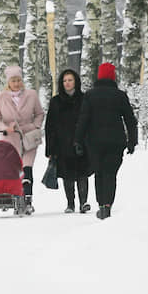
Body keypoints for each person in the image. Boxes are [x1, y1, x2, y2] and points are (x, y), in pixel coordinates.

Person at [74, 62, 137, 220]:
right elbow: (130, 120)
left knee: (99, 173)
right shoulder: (120, 95)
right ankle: (108, 205)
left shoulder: (90, 95)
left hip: (94, 141)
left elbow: (83, 119)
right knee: (110, 173)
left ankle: (101, 204)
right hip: (116, 142)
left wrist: (78, 140)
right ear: (113, 77)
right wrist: (132, 141)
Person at [0, 65, 45, 214]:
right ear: (8, 82)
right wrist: (4, 128)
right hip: (10, 138)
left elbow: (40, 113)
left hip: (28, 137)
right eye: (13, 81)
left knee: (27, 168)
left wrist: (35, 126)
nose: (16, 83)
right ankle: (15, 198)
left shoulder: (31, 95)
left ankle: (28, 200)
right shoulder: (0, 97)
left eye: (19, 80)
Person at [45, 69, 92, 213]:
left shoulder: (85, 99)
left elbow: (90, 121)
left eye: (70, 80)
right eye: (65, 81)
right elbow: (49, 126)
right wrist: (50, 149)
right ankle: (70, 203)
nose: (67, 83)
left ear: (76, 81)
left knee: (83, 174)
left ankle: (83, 202)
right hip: (62, 143)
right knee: (67, 175)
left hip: (81, 142)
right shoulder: (56, 101)